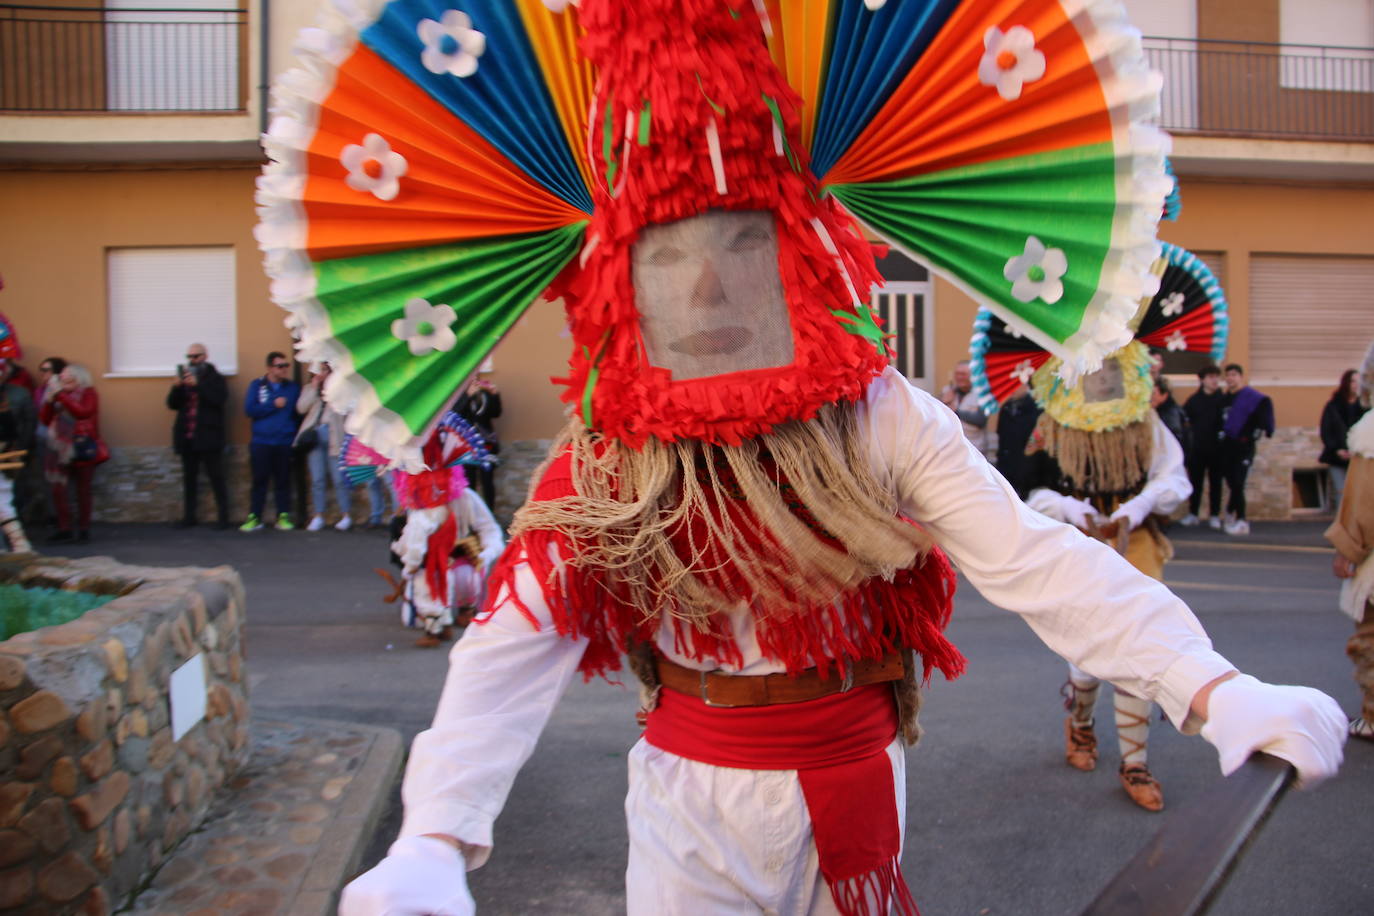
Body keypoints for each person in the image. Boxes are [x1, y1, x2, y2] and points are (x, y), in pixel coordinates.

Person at [335, 6, 1344, 914]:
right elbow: (519, 635)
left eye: (739, 250)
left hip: (854, 771)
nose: (705, 297)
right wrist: (436, 831)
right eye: (668, 260)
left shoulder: (877, 412)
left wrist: (1211, 688)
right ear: (617, 279)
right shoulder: (612, 449)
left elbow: (1030, 555)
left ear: (800, 251)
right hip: (687, 795)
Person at [1021, 342, 1190, 810]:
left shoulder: (1146, 423)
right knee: (1087, 654)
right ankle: (1080, 723)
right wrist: (1064, 505)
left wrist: (1141, 504)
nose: (1102, 377)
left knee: (1140, 646)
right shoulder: (1050, 423)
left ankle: (1135, 762)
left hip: (1133, 542)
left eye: (1110, 368)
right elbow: (1023, 487)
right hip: (1077, 544)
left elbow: (1175, 479)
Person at [390, 417, 504, 647]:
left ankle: (462, 609)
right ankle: (439, 621)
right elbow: (412, 540)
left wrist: (484, 555)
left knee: (436, 580)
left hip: (460, 566)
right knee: (424, 588)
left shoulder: (465, 498)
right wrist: (408, 560)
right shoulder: (417, 504)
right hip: (433, 563)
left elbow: (490, 531)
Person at [1327, 344, 1374, 742]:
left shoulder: (1370, 431)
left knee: (1371, 636)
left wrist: (1349, 548)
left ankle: (1373, 715)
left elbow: (1363, 500)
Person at [167, 343, 231, 529]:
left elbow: (219, 399)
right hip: (188, 435)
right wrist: (177, 387)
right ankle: (189, 517)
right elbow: (172, 404)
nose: (192, 360)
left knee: (216, 477)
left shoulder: (215, 378)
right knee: (189, 478)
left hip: (209, 436)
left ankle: (223, 518)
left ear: (205, 356)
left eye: (196, 356)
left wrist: (199, 386)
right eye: (189, 357)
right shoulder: (185, 378)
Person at [38, 364, 103, 543]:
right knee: (58, 489)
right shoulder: (58, 394)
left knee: (83, 489)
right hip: (58, 446)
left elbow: (82, 412)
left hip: (81, 444)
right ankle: (64, 528)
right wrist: (50, 400)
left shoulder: (88, 393)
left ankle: (83, 529)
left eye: (66, 373)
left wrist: (60, 395)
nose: (62, 375)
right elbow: (44, 419)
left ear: (77, 376)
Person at [241, 351, 300, 532]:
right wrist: (273, 405)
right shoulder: (257, 386)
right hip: (261, 442)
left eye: (286, 366)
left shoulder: (292, 388)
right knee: (260, 480)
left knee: (283, 481)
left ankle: (283, 516)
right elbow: (250, 410)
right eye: (280, 366)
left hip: (283, 441)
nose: (284, 370)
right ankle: (255, 517)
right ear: (269, 368)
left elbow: (297, 413)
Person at [1217, 364, 1274, 536]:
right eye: (1228, 375)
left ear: (1241, 377)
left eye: (1234, 375)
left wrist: (1259, 432)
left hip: (1244, 446)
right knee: (1231, 481)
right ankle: (1230, 513)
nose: (1231, 378)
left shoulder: (1251, 398)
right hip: (1228, 446)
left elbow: (1264, 416)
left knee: (1238, 482)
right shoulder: (1225, 399)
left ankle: (1241, 519)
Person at [1181, 363, 1226, 527]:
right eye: (1211, 377)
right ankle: (1193, 513)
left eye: (1217, 377)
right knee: (1195, 482)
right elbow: (1185, 423)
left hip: (1218, 449)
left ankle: (1214, 514)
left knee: (1216, 483)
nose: (1215, 381)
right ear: (1202, 380)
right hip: (1198, 449)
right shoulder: (1194, 401)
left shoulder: (1223, 399)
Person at [0, 362, 35, 552]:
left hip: (4, 454)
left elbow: (12, 431)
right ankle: (19, 544)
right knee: (3, 502)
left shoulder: (12, 395)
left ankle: (19, 545)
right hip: (6, 452)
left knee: (3, 501)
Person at [1319, 368, 1366, 509]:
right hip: (1336, 456)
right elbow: (1326, 430)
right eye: (1353, 381)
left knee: (1358, 493)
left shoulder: (1365, 406)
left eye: (1359, 381)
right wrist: (1336, 449)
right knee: (1341, 492)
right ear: (1346, 383)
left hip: (1359, 456)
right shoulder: (1333, 405)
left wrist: (1357, 449)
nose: (1356, 385)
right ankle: (1342, 527)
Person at [455, 375, 502, 510]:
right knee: (470, 482)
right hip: (466, 445)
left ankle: (490, 514)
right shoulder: (457, 395)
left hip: (485, 444)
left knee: (488, 481)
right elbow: (456, 413)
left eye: (476, 377)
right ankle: (473, 518)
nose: (474, 380)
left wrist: (495, 395)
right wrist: (468, 396)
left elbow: (496, 413)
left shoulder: (484, 394)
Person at [992, 384, 1040, 499]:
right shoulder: (1006, 408)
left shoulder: (1035, 409)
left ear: (1025, 386)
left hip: (1026, 468)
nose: (1011, 389)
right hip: (1006, 466)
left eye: (1016, 384)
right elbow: (1001, 436)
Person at [940, 359, 990, 457]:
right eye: (957, 374)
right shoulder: (947, 391)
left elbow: (980, 420)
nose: (959, 377)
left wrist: (956, 411)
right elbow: (935, 416)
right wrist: (942, 402)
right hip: (951, 449)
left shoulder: (983, 394)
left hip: (975, 450)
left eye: (963, 374)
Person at [1152, 375, 1190, 454]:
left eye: (1153, 393)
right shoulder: (1161, 410)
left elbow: (1174, 439)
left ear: (1164, 395)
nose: (1150, 397)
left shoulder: (1171, 413)